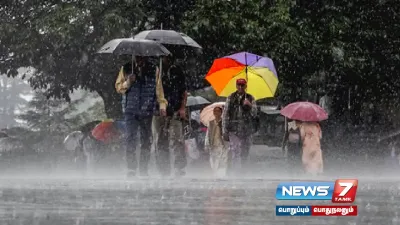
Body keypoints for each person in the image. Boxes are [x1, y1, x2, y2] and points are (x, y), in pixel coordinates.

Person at [115, 56, 157, 177]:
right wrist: (128, 82)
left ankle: (144, 168)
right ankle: (131, 168)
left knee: (146, 139)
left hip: (147, 110)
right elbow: (118, 88)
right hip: (131, 111)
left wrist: (162, 105)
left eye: (142, 57)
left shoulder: (154, 69)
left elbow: (158, 89)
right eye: (137, 57)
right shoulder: (126, 68)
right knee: (130, 138)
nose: (139, 60)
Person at [153, 55, 187, 177]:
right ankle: (163, 170)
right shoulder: (155, 71)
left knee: (177, 139)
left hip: (175, 111)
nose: (166, 59)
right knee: (160, 141)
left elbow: (184, 91)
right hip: (158, 112)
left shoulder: (178, 71)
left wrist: (182, 108)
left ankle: (179, 168)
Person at [222, 78, 257, 176]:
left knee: (245, 151)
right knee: (235, 150)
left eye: (242, 85)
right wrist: (224, 130)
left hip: (246, 129)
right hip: (233, 128)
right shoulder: (230, 97)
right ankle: (235, 172)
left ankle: (243, 171)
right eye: (239, 85)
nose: (240, 87)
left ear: (245, 86)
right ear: (236, 86)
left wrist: (249, 105)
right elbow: (225, 114)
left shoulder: (250, 98)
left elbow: (255, 114)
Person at [204, 106, 229, 178]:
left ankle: (220, 175)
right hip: (213, 144)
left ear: (221, 113)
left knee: (222, 160)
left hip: (221, 144)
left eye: (218, 111)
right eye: (215, 111)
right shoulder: (211, 123)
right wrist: (206, 144)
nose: (216, 113)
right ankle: (215, 174)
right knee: (213, 160)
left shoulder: (224, 123)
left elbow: (226, 133)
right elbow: (207, 134)